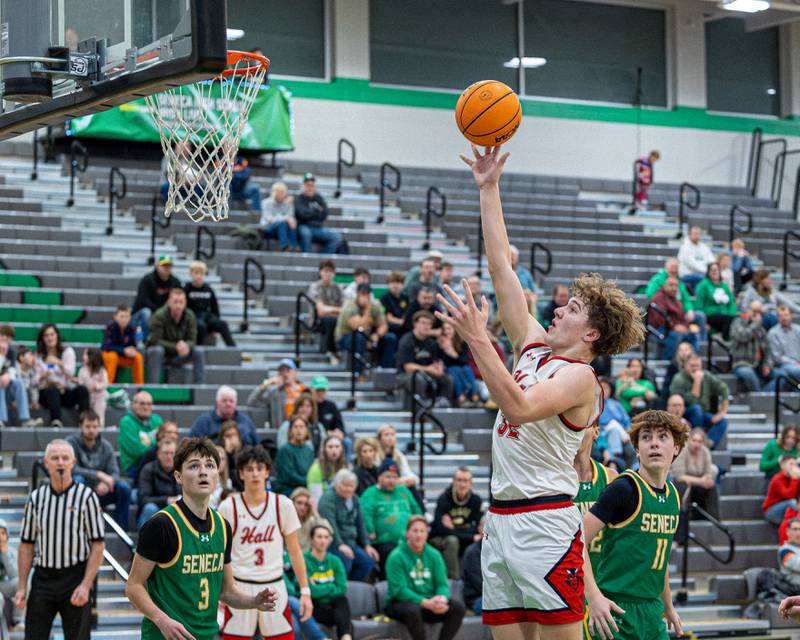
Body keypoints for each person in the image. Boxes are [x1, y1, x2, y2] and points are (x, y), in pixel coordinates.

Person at [441, 145, 644, 635]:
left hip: (546, 524)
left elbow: (518, 404)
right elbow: (501, 271)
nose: (557, 310)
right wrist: (489, 189)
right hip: (502, 519)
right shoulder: (533, 346)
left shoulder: (580, 380)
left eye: (572, 308)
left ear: (592, 334)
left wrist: (478, 339)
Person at [126, 438, 278, 639]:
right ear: (178, 476)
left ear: (218, 474)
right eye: (194, 466)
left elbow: (226, 591)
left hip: (206, 635)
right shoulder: (161, 525)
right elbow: (133, 586)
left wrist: (254, 601)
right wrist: (161, 619)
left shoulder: (222, 526)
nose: (203, 472)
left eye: (209, 465)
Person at [583, 411, 686, 640]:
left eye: (662, 437)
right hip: (615, 611)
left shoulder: (673, 497)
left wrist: (668, 606)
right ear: (637, 449)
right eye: (646, 438)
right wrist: (594, 597)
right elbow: (575, 540)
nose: (654, 444)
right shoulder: (624, 489)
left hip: (652, 611)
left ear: (676, 447)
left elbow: (659, 561)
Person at [217, 446, 313, 640]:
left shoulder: (283, 504)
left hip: (273, 586)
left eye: (260, 468)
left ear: (267, 472)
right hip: (239, 587)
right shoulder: (228, 507)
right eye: (249, 469)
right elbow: (219, 554)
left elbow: (295, 552)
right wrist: (222, 591)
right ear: (241, 473)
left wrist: (305, 591)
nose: (255, 474)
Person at [14, 439, 104, 640]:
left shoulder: (87, 497)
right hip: (43, 577)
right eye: (55, 458)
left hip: (76, 576)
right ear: (46, 463)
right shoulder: (36, 498)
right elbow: (26, 546)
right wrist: (21, 586)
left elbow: (98, 544)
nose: (60, 463)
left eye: (65, 458)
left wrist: (86, 585)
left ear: (73, 462)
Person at [384, 515, 466, 640]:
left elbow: (442, 584)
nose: (419, 535)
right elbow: (399, 590)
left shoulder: (434, 555)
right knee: (412, 610)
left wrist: (441, 599)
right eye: (415, 531)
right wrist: (426, 603)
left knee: (458, 608)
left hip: (429, 602)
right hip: (399, 603)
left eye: (422, 531)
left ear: (427, 534)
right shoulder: (396, 556)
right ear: (407, 534)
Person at [68, 410, 133, 530]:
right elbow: (71, 469)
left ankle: (121, 530)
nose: (91, 430)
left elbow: (115, 472)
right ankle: (76, 526)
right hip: (82, 490)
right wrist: (99, 475)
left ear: (99, 427)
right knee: (77, 480)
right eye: (87, 426)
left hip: (102, 491)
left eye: (94, 426)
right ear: (80, 427)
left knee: (124, 488)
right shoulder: (71, 443)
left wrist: (106, 484)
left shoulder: (106, 446)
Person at [317, 469, 379, 581]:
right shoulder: (327, 499)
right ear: (336, 484)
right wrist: (340, 544)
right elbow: (330, 525)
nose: (348, 489)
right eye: (344, 485)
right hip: (333, 544)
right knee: (345, 560)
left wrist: (366, 545)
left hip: (351, 543)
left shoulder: (354, 499)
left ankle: (351, 586)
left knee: (368, 561)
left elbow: (361, 523)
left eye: (351, 486)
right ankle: (342, 588)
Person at [360, 458, 423, 570]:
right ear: (379, 477)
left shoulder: (404, 491)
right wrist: (370, 531)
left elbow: (417, 510)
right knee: (391, 553)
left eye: (394, 477)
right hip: (383, 541)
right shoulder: (370, 494)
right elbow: (365, 515)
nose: (391, 481)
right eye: (388, 477)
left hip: (409, 539)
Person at [573, 427, 617, 574]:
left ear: (596, 432)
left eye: (581, 424)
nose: (574, 429)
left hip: (602, 579)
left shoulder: (611, 478)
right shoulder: (551, 479)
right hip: (566, 577)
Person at [429, 467, 484, 580]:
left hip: (460, 536)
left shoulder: (476, 500)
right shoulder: (444, 499)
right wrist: (469, 534)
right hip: (440, 538)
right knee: (452, 540)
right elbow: (442, 530)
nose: (462, 484)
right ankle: (453, 580)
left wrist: (454, 528)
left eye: (465, 481)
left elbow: (477, 528)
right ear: (453, 481)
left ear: (471, 483)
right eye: (459, 480)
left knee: (485, 540)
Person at [335, 283, 398, 377]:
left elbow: (384, 325)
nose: (365, 298)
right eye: (362, 294)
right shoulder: (350, 306)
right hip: (345, 338)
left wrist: (376, 335)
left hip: (366, 337)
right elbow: (358, 327)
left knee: (390, 338)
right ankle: (357, 374)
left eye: (367, 294)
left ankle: (385, 373)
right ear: (357, 294)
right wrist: (368, 309)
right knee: (359, 338)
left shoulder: (375, 305)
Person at [145, 288, 205, 384]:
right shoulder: (159, 315)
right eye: (175, 302)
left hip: (179, 355)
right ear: (169, 302)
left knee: (198, 351)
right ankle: (153, 387)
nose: (178, 305)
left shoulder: (190, 315)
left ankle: (200, 388)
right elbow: (155, 340)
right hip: (162, 355)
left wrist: (186, 346)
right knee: (156, 350)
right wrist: (176, 346)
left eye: (181, 302)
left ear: (185, 303)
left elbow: (192, 339)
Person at [304, 524, 353, 640]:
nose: (323, 541)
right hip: (313, 607)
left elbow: (342, 588)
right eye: (319, 537)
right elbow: (310, 591)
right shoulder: (304, 560)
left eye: (326, 537)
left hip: (332, 608)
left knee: (342, 600)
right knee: (340, 611)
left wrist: (320, 588)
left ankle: (346, 637)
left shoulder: (335, 561)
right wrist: (331, 586)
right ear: (312, 539)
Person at [669, 355, 730, 449]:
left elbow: (724, 388)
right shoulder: (678, 379)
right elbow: (691, 401)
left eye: (697, 366)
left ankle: (705, 445)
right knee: (696, 408)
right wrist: (697, 382)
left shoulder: (706, 375)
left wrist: (723, 411)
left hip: (703, 414)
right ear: (685, 366)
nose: (695, 368)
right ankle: (698, 437)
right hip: (684, 413)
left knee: (722, 421)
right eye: (692, 366)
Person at [34, 324, 90, 427]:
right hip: (47, 392)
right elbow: (36, 380)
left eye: (52, 334)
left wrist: (59, 363)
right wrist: (44, 376)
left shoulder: (67, 352)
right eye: (46, 335)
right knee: (52, 389)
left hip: (64, 391)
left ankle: (85, 421)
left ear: (57, 336)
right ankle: (56, 421)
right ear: (42, 338)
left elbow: (71, 372)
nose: (50, 338)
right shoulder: (39, 355)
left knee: (82, 390)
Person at [396, 310, 454, 408]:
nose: (426, 326)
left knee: (447, 379)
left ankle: (444, 406)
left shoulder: (432, 343)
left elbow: (436, 361)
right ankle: (420, 409)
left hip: (426, 373)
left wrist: (439, 368)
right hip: (405, 376)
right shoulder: (406, 341)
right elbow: (408, 367)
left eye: (429, 324)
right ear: (415, 323)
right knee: (419, 379)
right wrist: (429, 369)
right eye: (423, 323)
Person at [644, 258, 705, 340]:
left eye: (676, 267)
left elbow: (686, 299)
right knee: (675, 333)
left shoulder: (679, 283)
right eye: (672, 267)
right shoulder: (658, 279)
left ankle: (702, 343)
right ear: (666, 267)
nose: (674, 269)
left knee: (700, 316)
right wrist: (666, 297)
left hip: (679, 311)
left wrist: (689, 310)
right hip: (666, 311)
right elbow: (650, 294)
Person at [673, 426, 720, 524]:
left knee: (712, 487)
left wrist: (707, 480)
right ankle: (683, 519)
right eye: (694, 440)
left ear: (703, 443)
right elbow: (679, 476)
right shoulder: (682, 450)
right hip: (683, 483)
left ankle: (714, 520)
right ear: (689, 440)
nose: (696, 444)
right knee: (683, 486)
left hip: (698, 484)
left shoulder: (705, 452)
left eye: (699, 441)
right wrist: (701, 481)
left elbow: (708, 474)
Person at [184, 260, 236, 347]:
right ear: (190, 274)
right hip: (193, 317)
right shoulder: (186, 289)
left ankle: (233, 349)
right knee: (201, 326)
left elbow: (215, 308)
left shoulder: (209, 289)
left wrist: (216, 322)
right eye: (196, 273)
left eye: (201, 273)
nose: (199, 276)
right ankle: (198, 351)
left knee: (223, 325)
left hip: (206, 316)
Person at [648, 276, 700, 360]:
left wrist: (686, 327)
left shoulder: (676, 301)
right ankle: (667, 361)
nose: (674, 288)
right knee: (675, 336)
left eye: (676, 286)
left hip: (673, 328)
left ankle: (692, 360)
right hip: (659, 330)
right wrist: (674, 327)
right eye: (671, 285)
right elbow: (659, 319)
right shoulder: (658, 298)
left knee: (693, 336)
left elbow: (682, 318)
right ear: (664, 286)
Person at [131, 254, 181, 340]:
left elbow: (180, 299)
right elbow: (142, 302)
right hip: (141, 314)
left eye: (169, 266)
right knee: (146, 313)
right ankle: (147, 340)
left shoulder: (175, 282)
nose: (167, 268)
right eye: (164, 265)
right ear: (157, 266)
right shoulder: (147, 280)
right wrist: (161, 311)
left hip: (164, 312)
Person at [189, 385, 259, 445]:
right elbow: (192, 445)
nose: (228, 404)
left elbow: (257, 444)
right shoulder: (203, 421)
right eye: (224, 401)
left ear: (236, 403)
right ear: (217, 402)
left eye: (231, 401)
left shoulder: (245, 421)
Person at [731, 300, 776, 392]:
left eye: (759, 312)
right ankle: (760, 397)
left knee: (782, 375)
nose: (756, 314)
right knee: (748, 373)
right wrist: (756, 323)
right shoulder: (738, 322)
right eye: (754, 311)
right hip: (741, 363)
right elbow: (743, 336)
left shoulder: (761, 329)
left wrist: (767, 365)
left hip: (758, 366)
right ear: (748, 310)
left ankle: (763, 395)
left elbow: (768, 350)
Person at [249, 357, 307, 430]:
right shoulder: (274, 393)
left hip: (300, 431)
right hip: (280, 432)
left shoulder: (303, 391)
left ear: (295, 372)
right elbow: (252, 402)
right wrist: (266, 383)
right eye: (281, 371)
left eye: (288, 370)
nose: (285, 374)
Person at [136, 437, 180, 529]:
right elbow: (143, 499)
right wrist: (167, 500)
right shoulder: (148, 470)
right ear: (159, 454)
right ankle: (145, 542)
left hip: (174, 512)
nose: (169, 456)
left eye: (172, 453)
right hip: (152, 513)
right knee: (150, 508)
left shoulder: (181, 471)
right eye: (165, 453)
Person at [119, 391, 163, 479]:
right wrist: (156, 444)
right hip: (135, 467)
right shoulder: (127, 422)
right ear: (133, 405)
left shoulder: (157, 420)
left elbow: (166, 444)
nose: (146, 407)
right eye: (142, 403)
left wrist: (148, 442)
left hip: (158, 464)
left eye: (149, 404)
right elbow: (136, 451)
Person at [295, 173, 343, 254]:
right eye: (308, 185)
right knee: (306, 234)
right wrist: (317, 211)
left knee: (336, 237)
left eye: (312, 185)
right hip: (304, 226)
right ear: (304, 186)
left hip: (318, 228)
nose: (310, 188)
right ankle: (306, 258)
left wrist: (309, 213)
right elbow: (302, 214)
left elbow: (324, 214)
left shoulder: (319, 198)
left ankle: (323, 259)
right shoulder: (298, 199)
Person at [308, 260, 344, 363]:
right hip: (317, 321)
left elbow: (345, 309)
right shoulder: (315, 287)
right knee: (330, 320)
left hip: (337, 318)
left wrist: (330, 310)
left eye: (331, 271)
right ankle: (330, 351)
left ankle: (342, 350)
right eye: (325, 271)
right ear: (320, 272)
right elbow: (321, 311)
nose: (328, 274)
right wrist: (337, 310)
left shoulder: (338, 287)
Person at [0, 330, 38, 427]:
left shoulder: (11, 352)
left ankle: (25, 419)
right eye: (2, 338)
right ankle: (1, 420)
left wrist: (7, 376)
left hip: (6, 389)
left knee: (18, 382)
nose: (4, 343)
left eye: (6, 340)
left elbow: (12, 372)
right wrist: (1, 356)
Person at [438, 322, 481, 407]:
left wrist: (452, 353)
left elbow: (464, 360)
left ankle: (475, 397)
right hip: (448, 369)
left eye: (449, 328)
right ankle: (461, 398)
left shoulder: (462, 342)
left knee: (467, 369)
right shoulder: (440, 343)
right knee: (455, 369)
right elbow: (444, 362)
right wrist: (445, 349)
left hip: (461, 368)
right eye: (445, 329)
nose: (447, 331)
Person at [101, 305, 144, 384]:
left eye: (126, 316)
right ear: (115, 317)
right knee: (112, 356)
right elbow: (105, 346)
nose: (124, 319)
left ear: (130, 317)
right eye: (121, 316)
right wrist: (123, 351)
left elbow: (133, 345)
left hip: (123, 357)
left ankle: (139, 386)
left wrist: (132, 350)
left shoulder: (131, 328)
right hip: (111, 356)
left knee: (138, 357)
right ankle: (109, 384)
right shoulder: (110, 327)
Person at [273, 416, 316, 495]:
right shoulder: (285, 450)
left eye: (301, 427)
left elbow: (311, 471)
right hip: (287, 489)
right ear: (290, 430)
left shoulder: (309, 450)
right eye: (295, 427)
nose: (298, 430)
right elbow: (290, 476)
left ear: (306, 430)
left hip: (305, 487)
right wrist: (308, 481)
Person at [694, 262, 737, 340]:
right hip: (710, 315)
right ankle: (724, 341)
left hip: (726, 315)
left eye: (716, 270)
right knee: (727, 320)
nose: (714, 272)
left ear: (719, 271)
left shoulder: (724, 286)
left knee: (738, 319)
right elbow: (699, 305)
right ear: (708, 272)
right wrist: (704, 322)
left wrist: (731, 314)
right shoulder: (703, 285)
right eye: (712, 270)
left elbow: (731, 303)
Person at [306, 435, 348, 502]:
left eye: (337, 446)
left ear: (341, 449)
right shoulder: (315, 470)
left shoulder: (344, 468)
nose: (334, 450)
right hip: (323, 504)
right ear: (324, 450)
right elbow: (316, 499)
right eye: (330, 447)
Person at [260, 181, 300, 251]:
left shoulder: (288, 202)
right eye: (282, 192)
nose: (284, 195)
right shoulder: (265, 203)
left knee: (292, 222)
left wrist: (290, 206)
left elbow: (291, 216)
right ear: (275, 193)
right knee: (282, 223)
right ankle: (284, 246)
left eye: (285, 192)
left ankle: (294, 246)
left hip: (283, 229)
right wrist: (286, 218)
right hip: (268, 227)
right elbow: (270, 219)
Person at [763, 454, 800, 526]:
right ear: (782, 466)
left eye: (795, 464)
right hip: (772, 511)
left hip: (787, 511)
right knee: (792, 502)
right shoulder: (777, 479)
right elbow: (789, 496)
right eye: (791, 464)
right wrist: (794, 479)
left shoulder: (795, 478)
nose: (794, 467)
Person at [292, 487, 332, 552]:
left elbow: (329, 533)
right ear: (292, 503)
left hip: (309, 557)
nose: (302, 507)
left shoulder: (312, 520)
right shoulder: (286, 521)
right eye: (299, 503)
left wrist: (315, 511)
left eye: (306, 504)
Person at [677, 225, 715, 292]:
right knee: (703, 279)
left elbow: (712, 261)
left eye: (698, 234)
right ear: (690, 234)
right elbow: (693, 265)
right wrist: (708, 272)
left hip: (703, 274)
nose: (697, 235)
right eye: (695, 233)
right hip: (687, 275)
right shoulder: (685, 248)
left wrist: (712, 271)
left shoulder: (704, 247)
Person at [311, 375, 348, 442]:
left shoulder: (331, 406)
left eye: (323, 390)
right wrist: (327, 433)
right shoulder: (309, 405)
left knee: (347, 442)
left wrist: (338, 432)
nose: (320, 393)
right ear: (312, 390)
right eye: (318, 390)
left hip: (331, 438)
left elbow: (339, 426)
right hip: (314, 437)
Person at [77, 347, 108, 426]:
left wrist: (97, 386)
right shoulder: (82, 370)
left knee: (99, 414)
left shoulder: (101, 371)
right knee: (86, 414)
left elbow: (105, 383)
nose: (83, 356)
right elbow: (81, 382)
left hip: (99, 397)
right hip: (88, 396)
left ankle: (99, 427)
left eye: (86, 354)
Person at [769, 306, 800, 384]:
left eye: (786, 315)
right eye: (781, 316)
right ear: (777, 318)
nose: (784, 318)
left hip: (798, 363)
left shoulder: (798, 330)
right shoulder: (773, 333)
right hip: (784, 365)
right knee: (797, 371)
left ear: (791, 316)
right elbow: (777, 357)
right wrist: (795, 363)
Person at [461, 517, 484, 615]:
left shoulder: (499, 550)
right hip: (476, 599)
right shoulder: (472, 552)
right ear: (480, 529)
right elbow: (480, 583)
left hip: (496, 597)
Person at [0, 519, 18, 629]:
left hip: (4, 586)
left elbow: (14, 575)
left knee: (21, 582)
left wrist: (5, 554)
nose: (0, 537)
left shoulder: (11, 551)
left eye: (3, 533)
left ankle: (17, 621)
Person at [381, 271, 410, 337]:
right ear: (388, 284)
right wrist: (402, 321)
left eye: (398, 282)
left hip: (404, 326)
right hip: (390, 327)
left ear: (402, 284)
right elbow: (388, 317)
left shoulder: (406, 297)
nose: (395, 285)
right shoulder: (384, 298)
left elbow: (407, 314)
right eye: (392, 282)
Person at [219, 420, 245, 492]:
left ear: (239, 436)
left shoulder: (245, 452)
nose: (232, 439)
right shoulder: (218, 452)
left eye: (234, 435)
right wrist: (227, 453)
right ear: (222, 438)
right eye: (228, 436)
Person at [778, 518, 800, 590]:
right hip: (793, 591)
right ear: (788, 531)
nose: (798, 533)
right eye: (795, 529)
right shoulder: (785, 550)